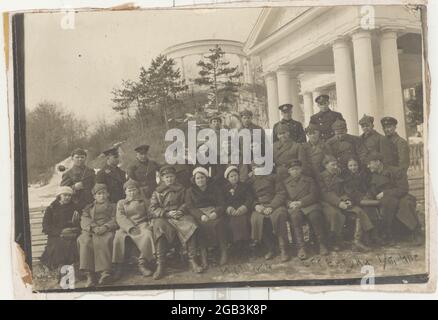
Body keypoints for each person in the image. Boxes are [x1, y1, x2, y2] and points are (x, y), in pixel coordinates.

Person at [149, 165, 203, 280]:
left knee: (191, 224)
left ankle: (192, 260)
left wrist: (180, 210)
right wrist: (166, 213)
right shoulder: (157, 192)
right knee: (159, 228)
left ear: (175, 177)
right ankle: (161, 265)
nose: (169, 179)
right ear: (162, 178)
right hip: (165, 217)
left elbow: (186, 202)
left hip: (179, 215)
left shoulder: (181, 189)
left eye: (171, 177)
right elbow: (153, 208)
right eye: (167, 177)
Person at [318, 156, 374, 252]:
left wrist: (347, 199)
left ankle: (357, 241)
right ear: (325, 166)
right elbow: (325, 193)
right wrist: (339, 203)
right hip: (326, 203)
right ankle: (335, 242)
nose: (335, 167)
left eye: (336, 164)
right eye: (333, 165)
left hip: (340, 201)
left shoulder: (338, 176)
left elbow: (343, 191)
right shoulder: (321, 177)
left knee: (358, 211)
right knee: (335, 214)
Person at [366, 152, 420, 245]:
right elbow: (373, 191)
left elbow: (403, 189)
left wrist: (385, 193)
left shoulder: (396, 171)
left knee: (406, 204)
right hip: (388, 200)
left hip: (402, 196)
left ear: (377, 162)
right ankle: (389, 235)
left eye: (370, 163)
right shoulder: (374, 175)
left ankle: (415, 232)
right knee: (386, 203)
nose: (368, 166)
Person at [282, 160, 328, 258]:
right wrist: (289, 203)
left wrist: (301, 202)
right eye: (292, 169)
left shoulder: (309, 180)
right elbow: (283, 196)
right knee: (295, 217)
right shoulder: (286, 183)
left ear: (301, 169)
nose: (295, 171)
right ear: (289, 171)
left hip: (309, 205)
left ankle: (321, 244)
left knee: (315, 216)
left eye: (297, 169)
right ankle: (301, 247)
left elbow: (314, 195)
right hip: (294, 207)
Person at [185, 167, 228, 270]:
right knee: (199, 227)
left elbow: (221, 204)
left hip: (213, 212)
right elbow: (190, 207)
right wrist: (201, 215)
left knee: (219, 224)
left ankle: (223, 252)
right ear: (194, 180)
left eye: (202, 177)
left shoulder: (214, 188)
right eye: (198, 178)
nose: (200, 180)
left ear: (206, 178)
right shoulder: (190, 191)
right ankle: (204, 256)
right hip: (199, 214)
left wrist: (216, 213)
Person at [112, 179, 155, 279]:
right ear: (125, 192)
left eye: (134, 190)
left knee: (147, 234)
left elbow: (151, 214)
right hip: (126, 226)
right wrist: (129, 227)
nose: (132, 192)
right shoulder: (121, 203)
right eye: (129, 190)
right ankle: (119, 266)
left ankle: (142, 264)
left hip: (142, 224)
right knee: (118, 237)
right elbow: (120, 217)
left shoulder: (144, 201)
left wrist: (151, 223)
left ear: (138, 190)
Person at [248, 162, 290, 262]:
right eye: (255, 167)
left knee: (279, 216)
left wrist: (272, 206)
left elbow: (281, 193)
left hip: (275, 205)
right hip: (260, 206)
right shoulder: (251, 181)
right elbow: (249, 197)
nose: (257, 169)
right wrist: (256, 205)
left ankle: (283, 249)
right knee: (256, 219)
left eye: (260, 166)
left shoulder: (274, 177)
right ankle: (270, 248)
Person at [77, 184, 117, 287]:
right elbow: (85, 220)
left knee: (105, 239)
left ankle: (104, 273)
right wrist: (93, 228)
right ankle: (89, 275)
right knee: (84, 241)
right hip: (91, 230)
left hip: (106, 229)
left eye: (104, 193)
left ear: (108, 194)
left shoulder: (113, 206)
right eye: (99, 194)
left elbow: (115, 218)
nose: (102, 196)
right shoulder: (88, 208)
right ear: (94, 196)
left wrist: (106, 227)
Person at [40, 186, 80, 276]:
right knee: (59, 244)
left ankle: (72, 268)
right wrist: (61, 232)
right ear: (59, 196)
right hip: (56, 235)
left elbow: (81, 224)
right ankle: (61, 267)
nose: (67, 197)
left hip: (72, 234)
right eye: (65, 195)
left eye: (69, 195)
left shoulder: (75, 207)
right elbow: (45, 227)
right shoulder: (51, 208)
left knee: (73, 243)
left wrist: (76, 224)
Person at [222, 166, 253, 255]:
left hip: (243, 211)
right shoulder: (224, 189)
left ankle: (245, 246)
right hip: (231, 212)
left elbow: (249, 199)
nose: (234, 178)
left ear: (238, 176)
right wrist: (228, 208)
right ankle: (236, 246)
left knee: (243, 221)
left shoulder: (245, 186)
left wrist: (243, 207)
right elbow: (222, 201)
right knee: (231, 223)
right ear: (228, 178)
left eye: (235, 175)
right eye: (231, 176)